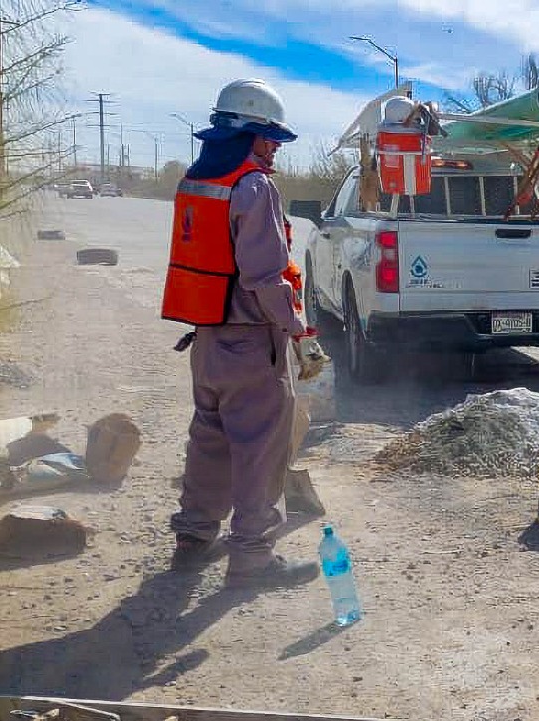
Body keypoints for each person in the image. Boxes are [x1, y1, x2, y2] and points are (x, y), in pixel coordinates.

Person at [160, 79, 323, 588]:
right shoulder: (253, 186)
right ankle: (251, 557)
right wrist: (299, 333)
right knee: (259, 450)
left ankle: (194, 535)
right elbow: (265, 276)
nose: (274, 148)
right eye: (270, 137)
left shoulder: (196, 179)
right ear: (249, 134)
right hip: (252, 343)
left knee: (209, 439)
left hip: (206, 338)